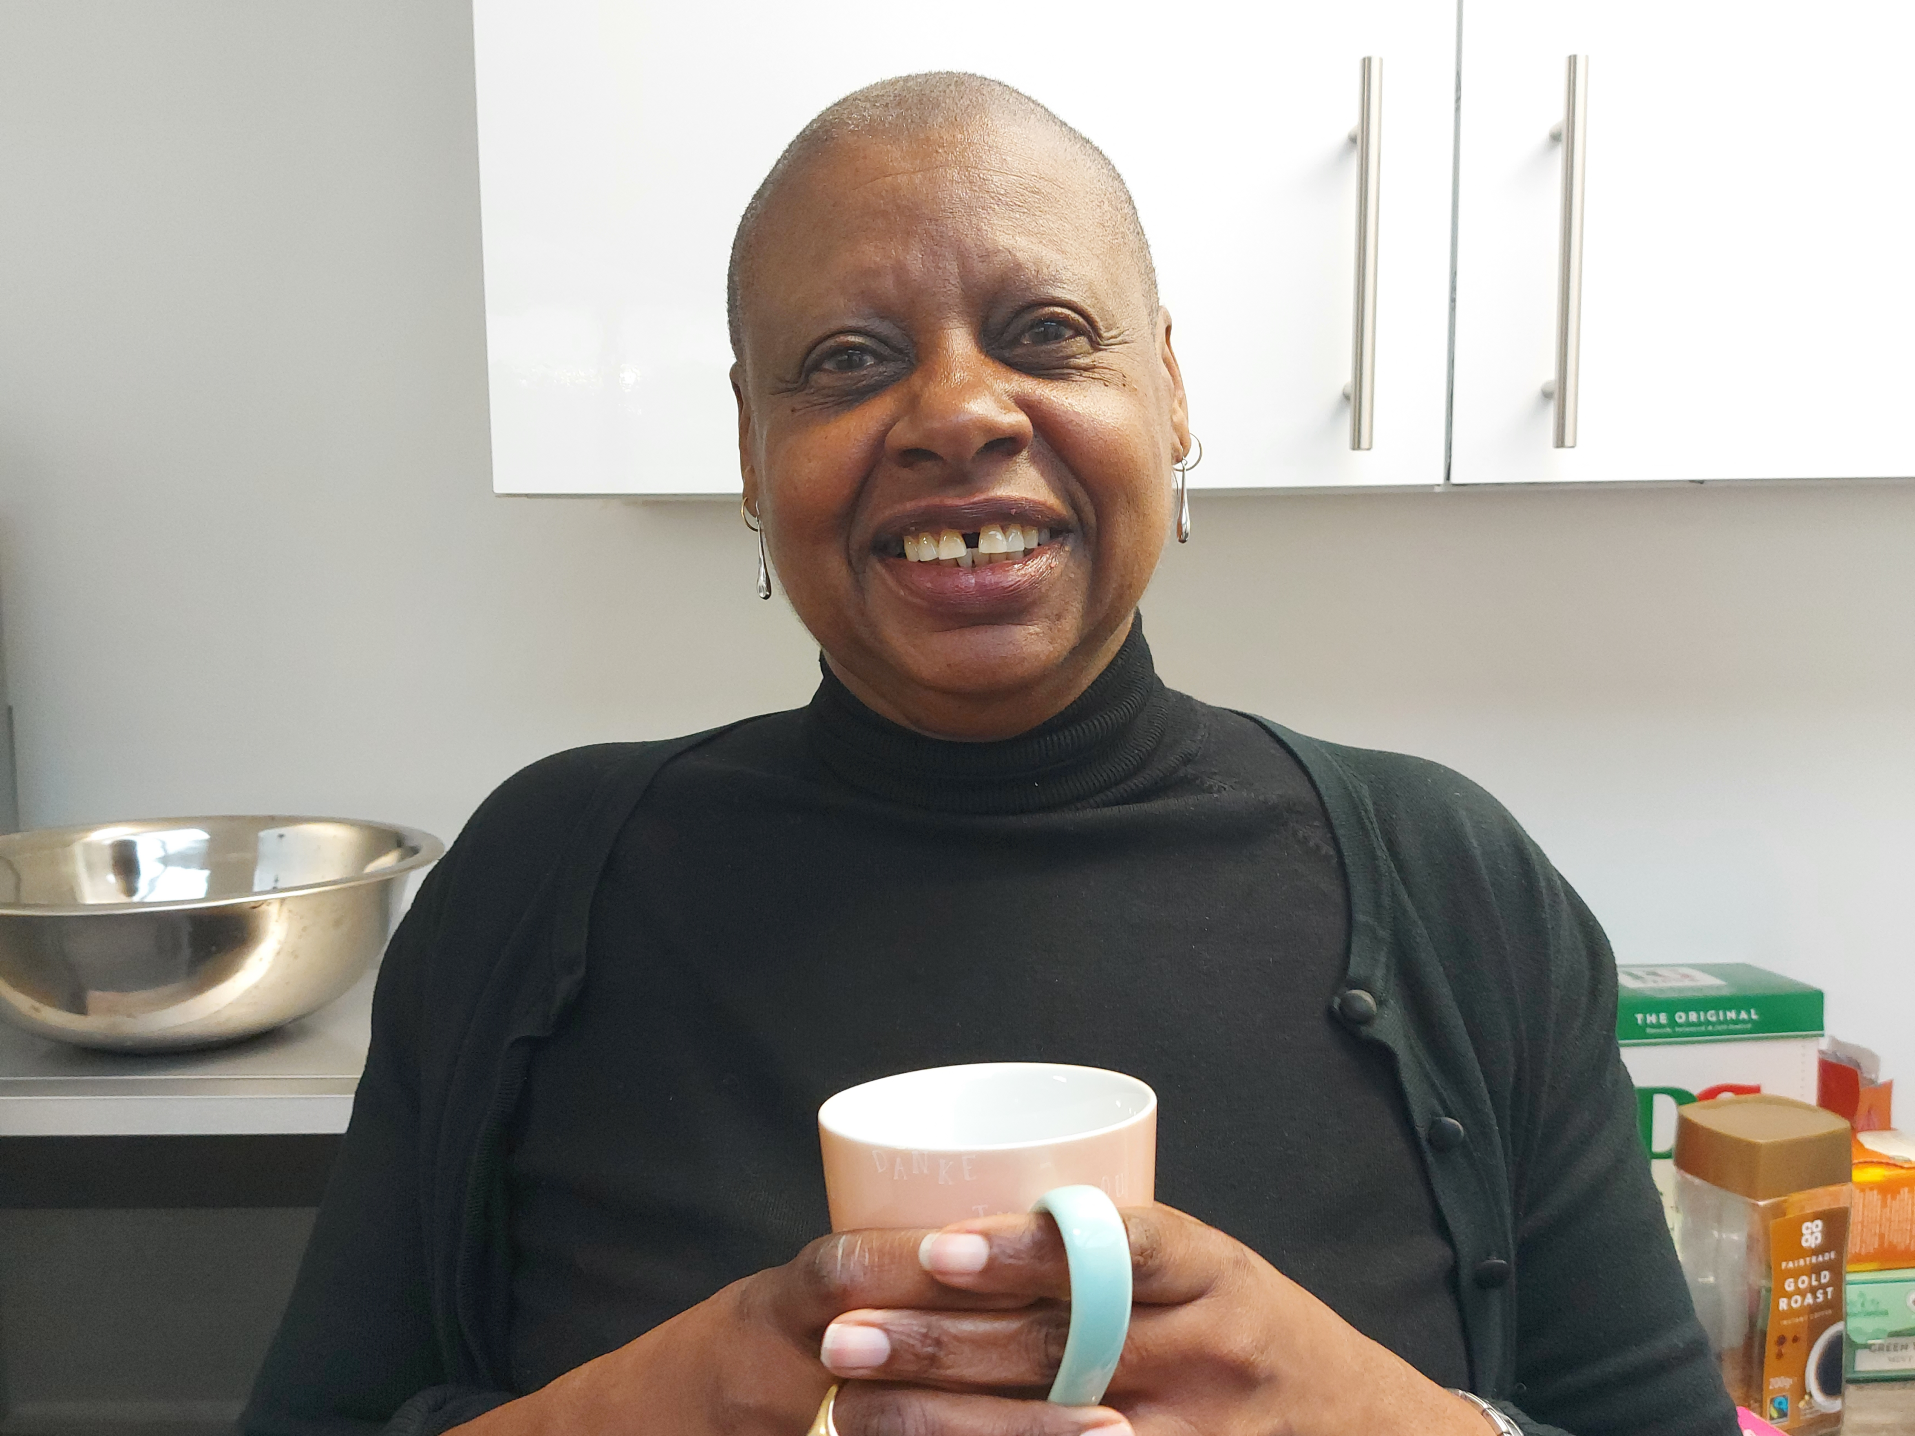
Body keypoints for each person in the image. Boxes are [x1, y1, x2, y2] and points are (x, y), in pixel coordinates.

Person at [244, 74, 1737, 1436]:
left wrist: (1341, 1404)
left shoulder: (1443, 878)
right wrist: (707, 1391)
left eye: (1045, 336)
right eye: (845, 359)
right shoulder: (542, 876)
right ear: (753, 456)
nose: (957, 412)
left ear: (1169, 399)